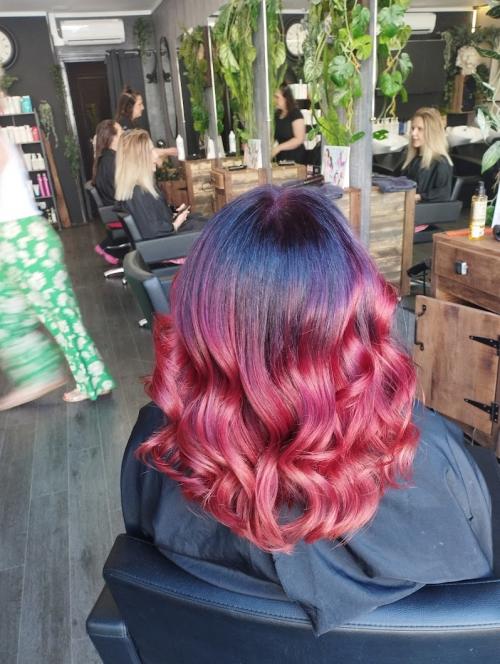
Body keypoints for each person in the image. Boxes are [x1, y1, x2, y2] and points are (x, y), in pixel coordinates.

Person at [121, 185, 493, 635]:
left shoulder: (155, 448)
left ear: (201, 320)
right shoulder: (426, 453)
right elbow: (472, 601)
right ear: (359, 312)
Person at [0, 68, 115, 407]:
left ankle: (93, 381)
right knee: (7, 321)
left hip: (25, 242)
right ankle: (37, 375)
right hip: (12, 241)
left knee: (61, 318)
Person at [115, 129, 203, 240]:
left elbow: (153, 219)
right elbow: (155, 232)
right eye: (151, 151)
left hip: (170, 237)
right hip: (170, 243)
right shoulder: (138, 193)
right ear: (139, 159)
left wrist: (174, 213)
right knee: (212, 228)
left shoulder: (138, 190)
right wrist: (177, 223)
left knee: (202, 218)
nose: (156, 156)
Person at [402, 107, 453, 203]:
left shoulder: (441, 163)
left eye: (420, 129)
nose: (413, 133)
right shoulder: (412, 160)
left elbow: (443, 195)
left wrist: (417, 197)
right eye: (413, 128)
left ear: (432, 133)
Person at [114, 86, 177, 164]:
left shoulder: (132, 124)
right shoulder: (125, 125)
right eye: (139, 104)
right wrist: (168, 151)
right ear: (130, 107)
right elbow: (140, 151)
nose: (143, 107)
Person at [92, 118, 123, 265]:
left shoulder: (105, 158)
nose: (124, 134)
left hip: (113, 208)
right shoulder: (112, 161)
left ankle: (106, 246)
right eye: (121, 132)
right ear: (113, 137)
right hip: (118, 212)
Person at [272, 84, 306, 164]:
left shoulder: (295, 114)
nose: (274, 100)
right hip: (281, 158)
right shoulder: (277, 114)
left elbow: (299, 139)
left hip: (296, 158)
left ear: (286, 98)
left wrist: (278, 148)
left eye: (277, 97)